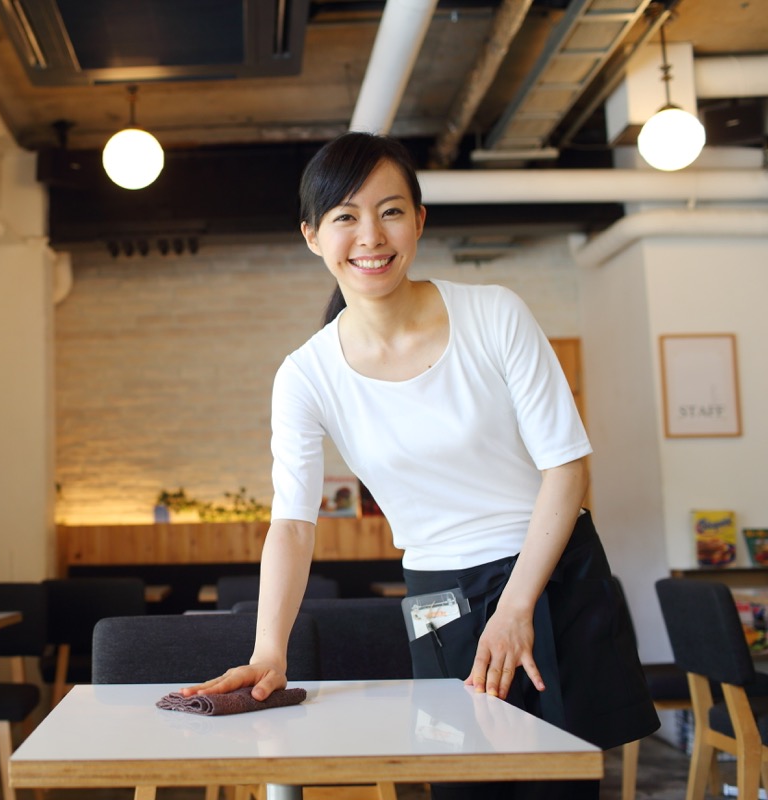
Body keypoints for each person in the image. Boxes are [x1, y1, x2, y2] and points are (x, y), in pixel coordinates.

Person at [181, 132, 658, 799]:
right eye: (345, 216)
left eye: (390, 210)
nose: (370, 235)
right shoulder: (306, 376)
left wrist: (517, 603)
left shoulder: (494, 313)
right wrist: (268, 650)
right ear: (312, 235)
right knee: (461, 783)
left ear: (420, 220)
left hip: (551, 574)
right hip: (438, 592)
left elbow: (566, 467)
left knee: (559, 785)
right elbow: (293, 524)